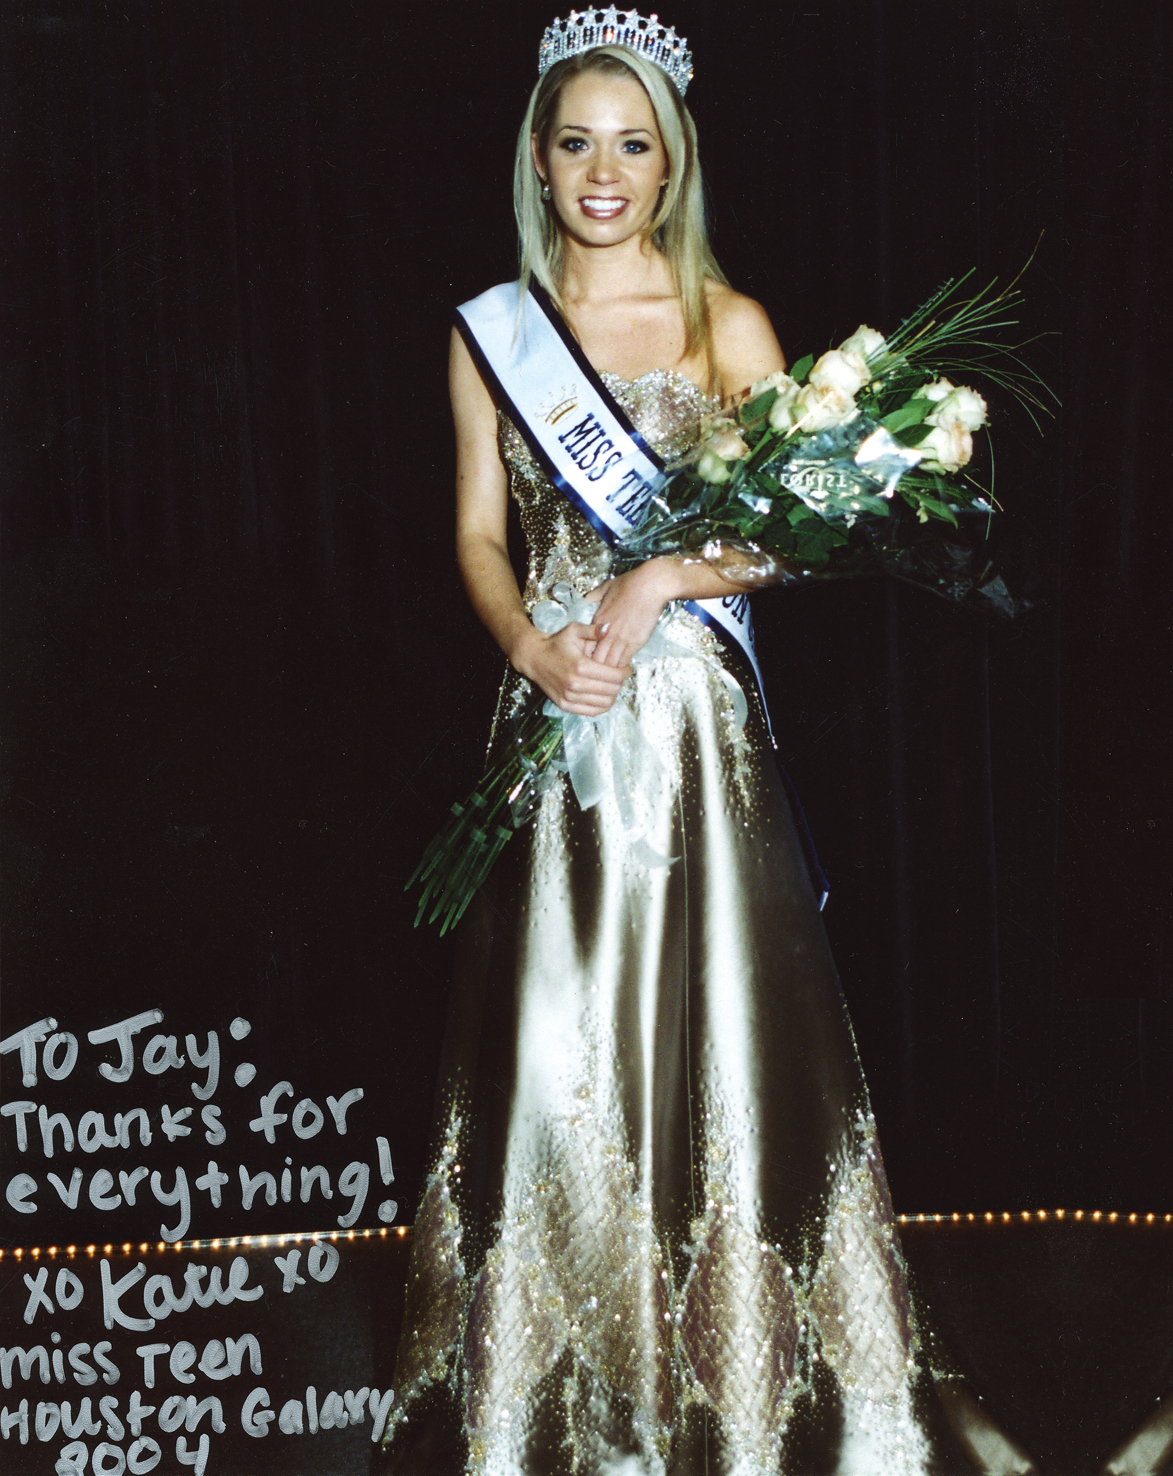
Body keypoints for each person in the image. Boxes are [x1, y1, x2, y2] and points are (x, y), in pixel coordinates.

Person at [387, 13, 943, 1475]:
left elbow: (786, 538)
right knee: (553, 1042)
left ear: (671, 159)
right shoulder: (489, 333)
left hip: (691, 726)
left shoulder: (726, 322)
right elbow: (471, 529)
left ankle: (750, 1401)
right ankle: (543, 1413)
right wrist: (528, 646)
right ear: (537, 156)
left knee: (723, 1036)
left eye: (631, 142)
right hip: (557, 720)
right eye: (575, 141)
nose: (602, 170)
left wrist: (648, 580)